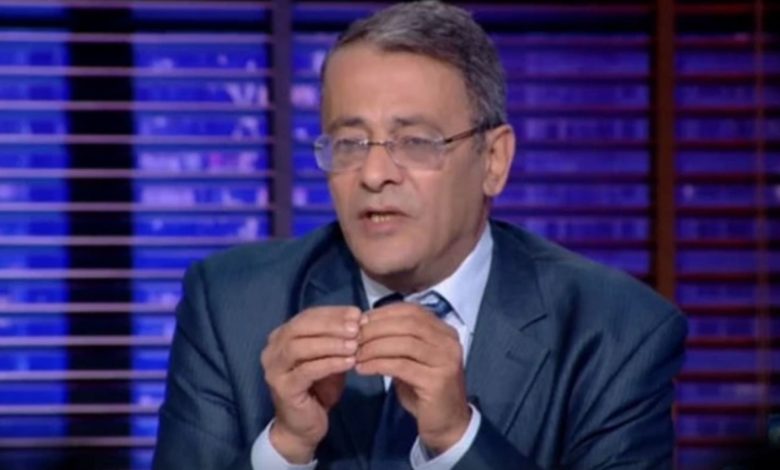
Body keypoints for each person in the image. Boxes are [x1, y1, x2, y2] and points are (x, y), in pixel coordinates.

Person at [152, 1, 687, 469]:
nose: (373, 174)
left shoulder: (615, 331)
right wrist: (285, 447)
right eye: (350, 143)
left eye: (415, 142)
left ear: (493, 161)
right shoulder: (231, 306)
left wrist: (457, 439)